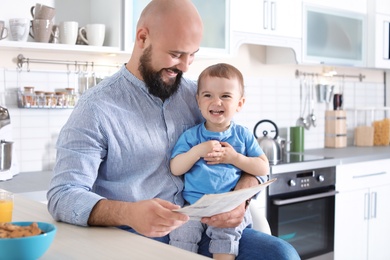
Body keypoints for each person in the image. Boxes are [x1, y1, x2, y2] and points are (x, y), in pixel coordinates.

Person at [47, 0, 300, 259]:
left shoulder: (199, 96)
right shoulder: (96, 108)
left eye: (192, 55)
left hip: (205, 231)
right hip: (133, 237)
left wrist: (239, 198)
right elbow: (62, 196)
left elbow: (250, 159)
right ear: (143, 38)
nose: (185, 66)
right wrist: (128, 213)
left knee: (281, 254)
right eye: (177, 54)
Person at [169, 63, 269, 260]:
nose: (216, 102)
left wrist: (235, 158)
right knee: (182, 233)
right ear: (198, 101)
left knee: (226, 236)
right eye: (208, 95)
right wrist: (197, 152)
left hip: (229, 207)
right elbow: (175, 168)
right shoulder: (192, 136)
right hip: (195, 205)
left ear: (239, 104)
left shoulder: (242, 135)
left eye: (225, 96)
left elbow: (263, 166)